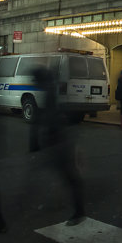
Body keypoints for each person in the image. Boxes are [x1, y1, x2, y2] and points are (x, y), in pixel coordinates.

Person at [31, 66, 86, 224]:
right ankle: (76, 209)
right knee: (70, 177)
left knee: (71, 177)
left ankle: (78, 211)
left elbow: (53, 117)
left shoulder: (51, 92)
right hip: (59, 141)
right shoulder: (53, 89)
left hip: (60, 142)